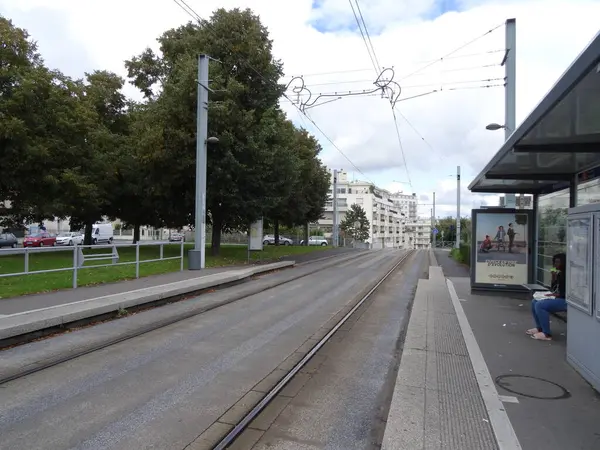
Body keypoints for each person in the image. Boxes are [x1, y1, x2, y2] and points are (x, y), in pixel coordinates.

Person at [526, 253, 567, 340]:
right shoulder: (559, 273)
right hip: (558, 297)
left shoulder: (567, 275)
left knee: (540, 305)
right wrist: (554, 277)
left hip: (565, 301)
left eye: (558, 262)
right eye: (555, 262)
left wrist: (553, 295)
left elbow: (563, 293)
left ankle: (547, 334)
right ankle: (539, 327)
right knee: (534, 301)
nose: (556, 264)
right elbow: (554, 288)